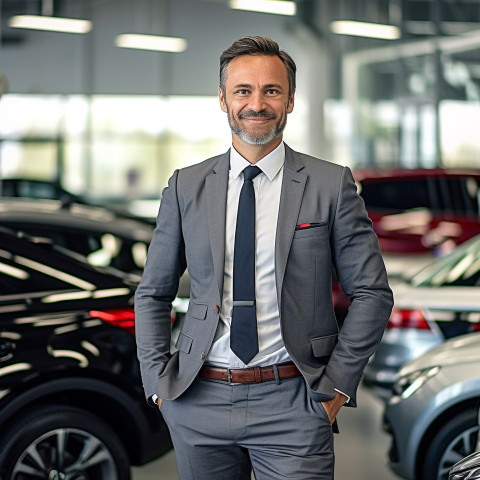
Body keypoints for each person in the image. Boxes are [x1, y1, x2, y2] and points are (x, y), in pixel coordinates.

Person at [135, 35, 394, 480]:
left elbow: (372, 293)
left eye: (271, 91)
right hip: (198, 400)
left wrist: (335, 389)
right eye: (243, 91)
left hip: (294, 401)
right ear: (222, 99)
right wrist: (159, 386)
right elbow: (153, 293)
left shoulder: (330, 186)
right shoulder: (186, 187)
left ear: (290, 100)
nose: (257, 103)